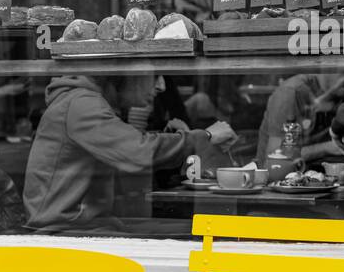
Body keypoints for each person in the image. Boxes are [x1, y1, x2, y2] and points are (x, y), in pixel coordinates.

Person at [24, 74, 236, 234]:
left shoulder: (86, 101)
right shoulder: (82, 104)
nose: (161, 86)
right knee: (198, 233)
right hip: (62, 231)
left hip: (87, 225)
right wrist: (204, 136)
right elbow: (138, 152)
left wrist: (171, 139)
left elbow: (129, 150)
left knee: (197, 229)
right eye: (154, 75)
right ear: (129, 74)